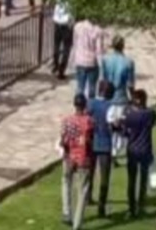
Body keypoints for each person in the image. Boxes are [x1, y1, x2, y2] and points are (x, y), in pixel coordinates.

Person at [60, 93, 94, 230]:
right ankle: (77, 224)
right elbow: (90, 140)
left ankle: (67, 212)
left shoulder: (66, 121)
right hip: (83, 159)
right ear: (85, 105)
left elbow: (63, 141)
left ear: (74, 105)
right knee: (82, 191)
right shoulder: (89, 121)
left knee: (66, 182)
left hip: (69, 157)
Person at [123, 89, 156, 219]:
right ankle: (141, 205)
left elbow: (124, 132)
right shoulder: (151, 114)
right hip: (145, 149)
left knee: (131, 181)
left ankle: (131, 208)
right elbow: (152, 118)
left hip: (132, 150)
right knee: (143, 179)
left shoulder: (130, 116)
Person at [86, 81, 115, 218]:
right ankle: (101, 207)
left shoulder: (90, 104)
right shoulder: (110, 107)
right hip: (105, 144)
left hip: (91, 143)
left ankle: (88, 196)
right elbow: (112, 125)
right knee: (104, 177)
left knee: (90, 172)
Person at [71, 15, 104, 99]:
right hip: (92, 61)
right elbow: (99, 50)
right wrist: (101, 65)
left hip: (80, 60)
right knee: (92, 86)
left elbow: (75, 43)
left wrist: (73, 58)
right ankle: (90, 103)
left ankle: (79, 103)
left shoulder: (77, 27)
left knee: (80, 85)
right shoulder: (98, 30)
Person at [52, 2, 74, 81]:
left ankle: (56, 64)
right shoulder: (71, 1)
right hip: (66, 26)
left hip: (58, 24)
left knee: (56, 46)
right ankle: (61, 70)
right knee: (66, 49)